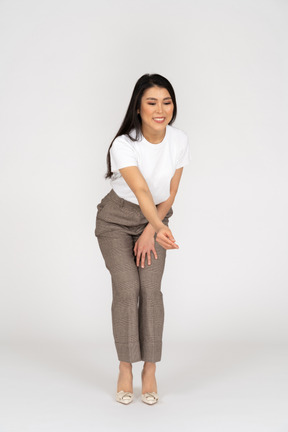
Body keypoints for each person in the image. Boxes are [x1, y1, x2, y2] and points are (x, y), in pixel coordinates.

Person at [94, 73, 190, 405]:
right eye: (152, 102)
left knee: (151, 291)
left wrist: (152, 230)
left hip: (154, 220)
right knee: (127, 288)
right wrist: (158, 227)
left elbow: (171, 192)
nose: (160, 109)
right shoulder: (124, 144)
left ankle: (150, 369)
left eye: (167, 101)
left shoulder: (179, 140)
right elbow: (141, 190)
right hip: (116, 221)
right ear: (138, 107)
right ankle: (125, 366)